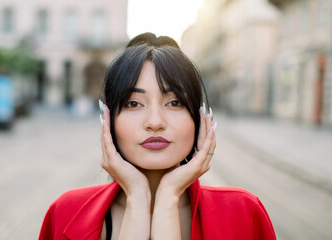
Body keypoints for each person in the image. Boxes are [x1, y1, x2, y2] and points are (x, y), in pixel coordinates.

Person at [39, 33, 276, 240]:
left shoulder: (244, 214)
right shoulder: (64, 213)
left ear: (199, 117)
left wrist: (169, 195)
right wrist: (136, 196)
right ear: (108, 118)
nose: (155, 122)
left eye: (174, 102)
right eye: (133, 103)